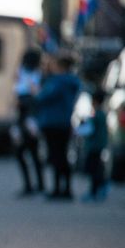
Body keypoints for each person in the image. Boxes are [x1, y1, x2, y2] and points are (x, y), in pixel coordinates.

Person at [35, 51, 81, 200]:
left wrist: (35, 92)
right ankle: (66, 188)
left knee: (56, 156)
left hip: (52, 122)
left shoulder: (57, 82)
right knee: (63, 155)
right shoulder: (73, 81)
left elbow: (42, 97)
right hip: (65, 122)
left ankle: (58, 189)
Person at [11, 48, 44, 196]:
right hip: (30, 114)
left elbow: (20, 90)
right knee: (33, 152)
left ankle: (31, 185)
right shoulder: (38, 73)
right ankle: (37, 184)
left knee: (24, 152)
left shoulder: (34, 73)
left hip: (27, 113)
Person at [81, 89, 109, 201]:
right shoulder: (101, 114)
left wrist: (79, 129)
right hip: (99, 146)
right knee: (97, 168)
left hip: (94, 147)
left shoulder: (96, 115)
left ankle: (95, 191)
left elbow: (88, 130)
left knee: (93, 170)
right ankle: (100, 188)